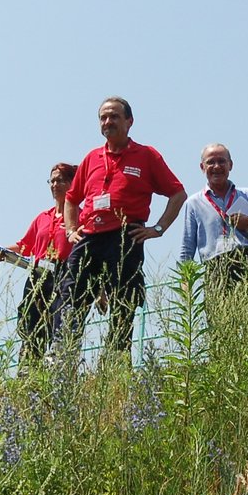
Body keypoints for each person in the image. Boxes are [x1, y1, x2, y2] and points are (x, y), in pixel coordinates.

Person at [53, 96, 185, 366]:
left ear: (129, 122)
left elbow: (177, 193)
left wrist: (157, 228)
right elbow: (71, 199)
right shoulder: (91, 158)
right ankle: (62, 356)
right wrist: (70, 229)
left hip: (125, 236)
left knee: (125, 298)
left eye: (114, 116)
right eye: (103, 117)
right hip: (89, 236)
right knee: (70, 294)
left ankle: (114, 360)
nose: (107, 122)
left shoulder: (147, 155)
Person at [0, 162, 76, 367]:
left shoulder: (78, 216)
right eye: (52, 180)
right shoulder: (43, 218)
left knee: (61, 321)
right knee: (31, 322)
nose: (55, 184)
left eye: (61, 180)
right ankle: (28, 367)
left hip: (64, 275)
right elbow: (26, 245)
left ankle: (59, 368)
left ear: (72, 183)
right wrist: (4, 251)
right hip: (38, 276)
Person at [177, 144, 248, 289]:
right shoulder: (193, 203)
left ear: (230, 165)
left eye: (221, 161)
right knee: (220, 311)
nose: (216, 166)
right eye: (210, 162)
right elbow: (187, 247)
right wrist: (184, 283)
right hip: (215, 269)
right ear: (202, 167)